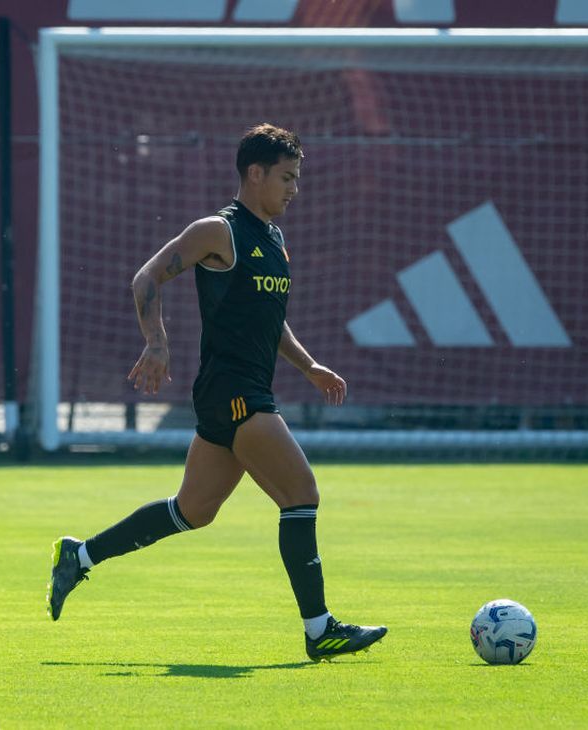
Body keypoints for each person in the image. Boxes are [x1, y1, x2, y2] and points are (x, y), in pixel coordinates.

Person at [46, 123, 386, 661]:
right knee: (301, 495)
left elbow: (269, 322)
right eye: (286, 177)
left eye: (297, 178)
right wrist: (156, 342)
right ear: (255, 174)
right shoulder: (217, 232)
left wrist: (309, 365)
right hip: (234, 391)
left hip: (241, 390)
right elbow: (146, 279)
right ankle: (320, 629)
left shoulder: (273, 240)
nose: (294, 189)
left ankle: (79, 556)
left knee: (192, 511)